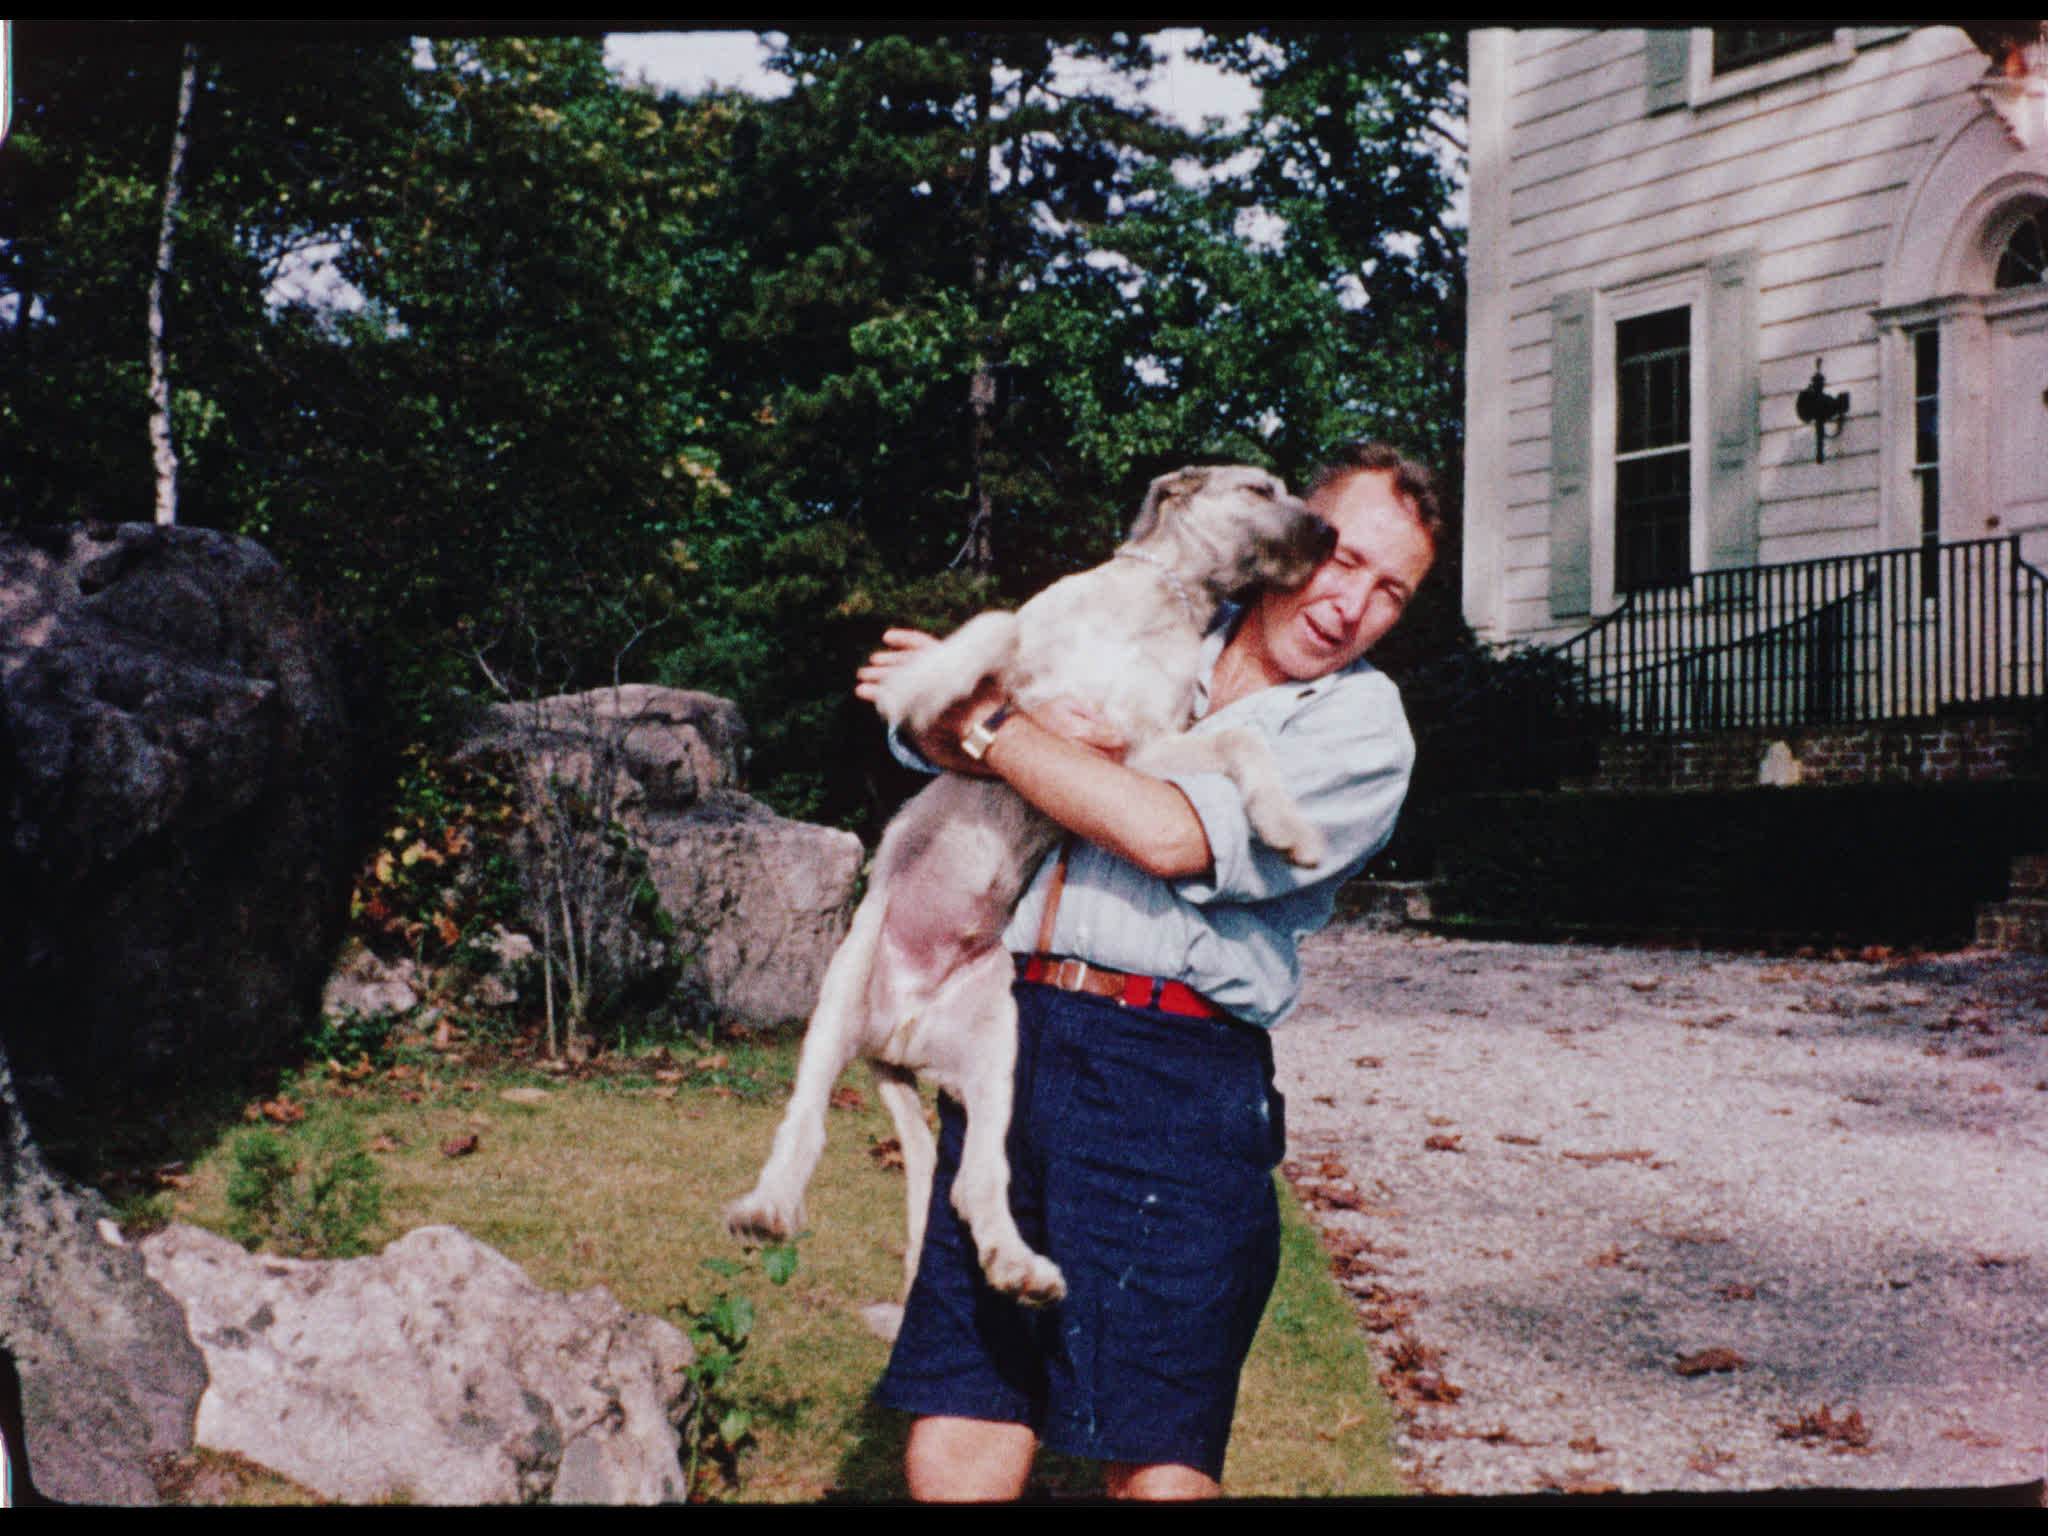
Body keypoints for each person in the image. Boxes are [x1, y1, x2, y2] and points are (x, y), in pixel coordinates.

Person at [854, 441, 1441, 1501]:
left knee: (1155, 1461)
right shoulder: (1154, 613)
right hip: (1014, 1045)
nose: (1349, 601)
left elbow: (1168, 833)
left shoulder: (1359, 727)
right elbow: (918, 725)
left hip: (1169, 1079)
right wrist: (961, 718)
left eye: (1388, 590)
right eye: (1340, 557)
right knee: (965, 1409)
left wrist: (989, 721)